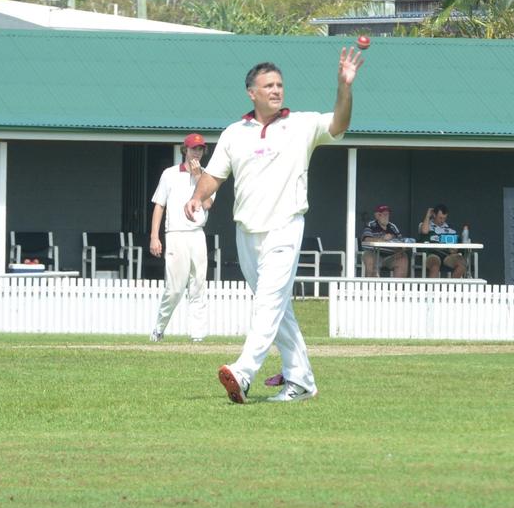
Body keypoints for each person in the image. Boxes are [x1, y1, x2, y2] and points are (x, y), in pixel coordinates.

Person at [186, 47, 364, 404]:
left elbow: (339, 124)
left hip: (285, 227)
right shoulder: (235, 133)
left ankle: (243, 372)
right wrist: (196, 197)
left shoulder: (301, 124)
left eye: (279, 85)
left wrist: (344, 87)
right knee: (279, 308)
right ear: (251, 92)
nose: (276, 90)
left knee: (267, 304)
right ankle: (301, 381)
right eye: (268, 85)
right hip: (247, 231)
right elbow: (215, 175)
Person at [148, 133, 214, 343]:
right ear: (184, 150)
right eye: (193, 148)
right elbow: (159, 205)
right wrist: (154, 236)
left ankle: (198, 336)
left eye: (200, 149)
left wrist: (197, 178)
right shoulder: (169, 174)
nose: (197, 152)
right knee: (174, 288)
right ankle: (158, 330)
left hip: (197, 234)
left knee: (198, 285)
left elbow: (207, 204)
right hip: (175, 234)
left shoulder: (208, 176)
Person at [418, 204, 466, 278]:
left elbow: (458, 243)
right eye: (440, 218)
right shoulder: (426, 224)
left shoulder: (449, 228)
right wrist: (427, 216)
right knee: (435, 265)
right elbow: (424, 231)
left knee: (462, 264)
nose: (442, 221)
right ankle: (432, 289)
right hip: (432, 253)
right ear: (434, 215)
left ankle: (452, 288)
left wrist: (455, 249)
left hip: (448, 254)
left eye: (444, 218)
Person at [360, 204, 410, 277]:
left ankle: (397, 287)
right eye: (383, 214)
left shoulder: (392, 226)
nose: (386, 216)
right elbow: (366, 239)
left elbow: (401, 240)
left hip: (390, 256)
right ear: (377, 216)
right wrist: (382, 239)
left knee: (403, 258)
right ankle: (371, 287)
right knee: (370, 259)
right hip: (374, 253)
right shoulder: (371, 225)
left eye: (387, 214)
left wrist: (400, 249)